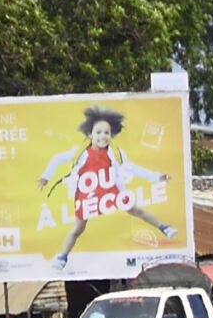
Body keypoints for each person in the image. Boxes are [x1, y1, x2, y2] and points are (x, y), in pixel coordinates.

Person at [38, 104, 179, 270]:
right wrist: (45, 177)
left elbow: (132, 168)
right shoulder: (80, 152)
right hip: (88, 193)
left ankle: (165, 228)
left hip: (109, 191)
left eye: (106, 133)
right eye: (98, 132)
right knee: (78, 228)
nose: (103, 136)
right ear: (90, 134)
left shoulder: (116, 153)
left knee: (135, 209)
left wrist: (157, 177)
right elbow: (57, 159)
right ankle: (62, 257)